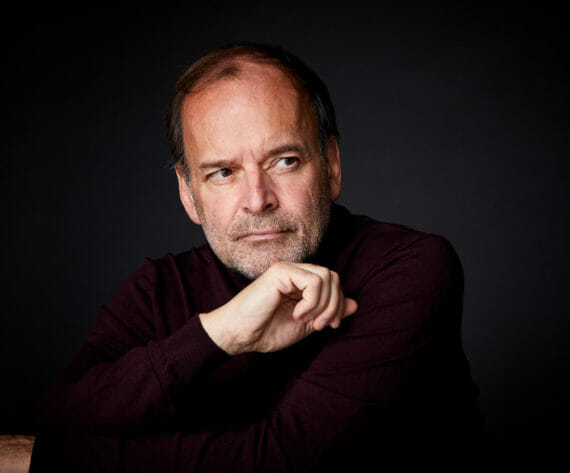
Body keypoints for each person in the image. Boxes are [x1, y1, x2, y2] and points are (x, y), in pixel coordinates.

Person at [26, 42, 484, 472]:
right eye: (223, 172)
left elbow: (283, 461)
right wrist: (220, 333)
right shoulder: (158, 289)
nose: (257, 199)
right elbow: (59, 416)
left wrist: (44, 461)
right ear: (188, 192)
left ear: (331, 164)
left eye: (284, 161)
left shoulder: (409, 267)